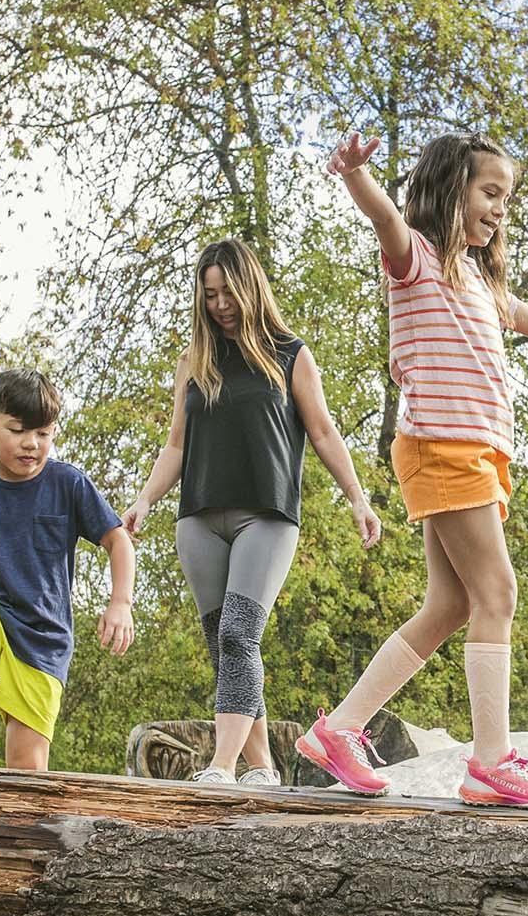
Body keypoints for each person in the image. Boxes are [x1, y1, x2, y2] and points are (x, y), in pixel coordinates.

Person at [297, 131, 528, 809]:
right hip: (444, 446)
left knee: (451, 605)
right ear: (452, 189)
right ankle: (490, 762)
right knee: (498, 594)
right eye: (489, 193)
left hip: (473, 452)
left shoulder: (478, 280)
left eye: (506, 199)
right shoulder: (417, 259)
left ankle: (339, 729)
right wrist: (357, 178)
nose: (499, 209)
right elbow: (387, 222)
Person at [123, 237, 382, 786]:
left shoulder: (290, 353)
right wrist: (146, 498)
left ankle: (221, 765)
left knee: (242, 635)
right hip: (198, 518)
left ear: (249, 288)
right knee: (225, 647)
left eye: (228, 293)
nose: (219, 305)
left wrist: (357, 497)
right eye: (209, 295)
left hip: (265, 515)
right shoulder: (195, 361)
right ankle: (262, 767)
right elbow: (176, 445)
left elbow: (324, 431)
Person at [0, 368, 135, 770]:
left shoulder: (68, 483)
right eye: (18, 430)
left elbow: (118, 540)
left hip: (43, 637)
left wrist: (120, 602)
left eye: (43, 433)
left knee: (26, 771)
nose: (32, 444)